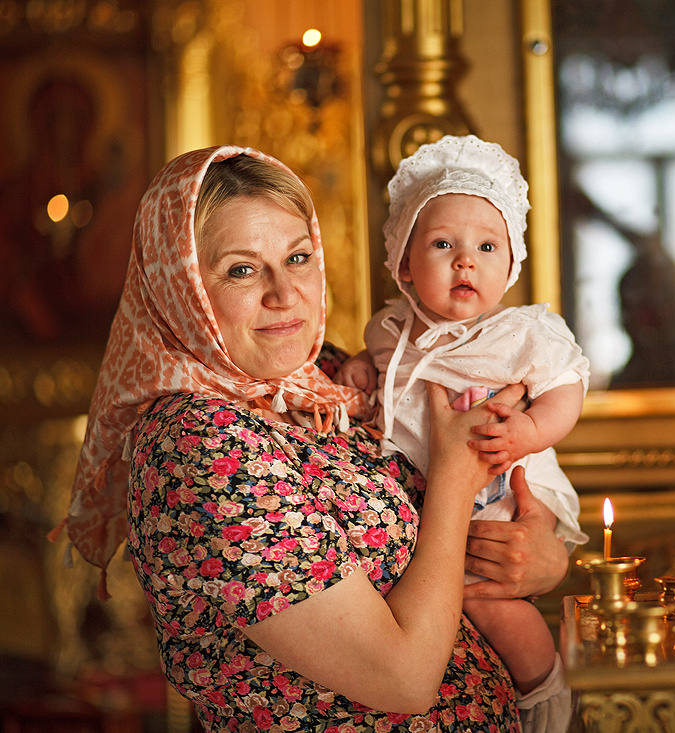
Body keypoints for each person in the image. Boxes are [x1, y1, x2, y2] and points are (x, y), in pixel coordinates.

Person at [54, 145, 572, 731]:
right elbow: (404, 680)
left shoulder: (323, 377)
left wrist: (536, 557)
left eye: (298, 257)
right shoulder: (197, 445)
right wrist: (458, 474)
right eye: (242, 269)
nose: (284, 292)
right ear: (180, 287)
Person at [334, 135, 588, 732]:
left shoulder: (523, 334)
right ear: (403, 264)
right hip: (435, 500)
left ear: (510, 264)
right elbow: (379, 377)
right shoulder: (389, 331)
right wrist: (362, 373)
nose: (464, 260)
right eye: (442, 244)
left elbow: (568, 387)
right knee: (450, 601)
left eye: (485, 246)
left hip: (508, 484)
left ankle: (546, 696)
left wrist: (528, 429)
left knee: (486, 600)